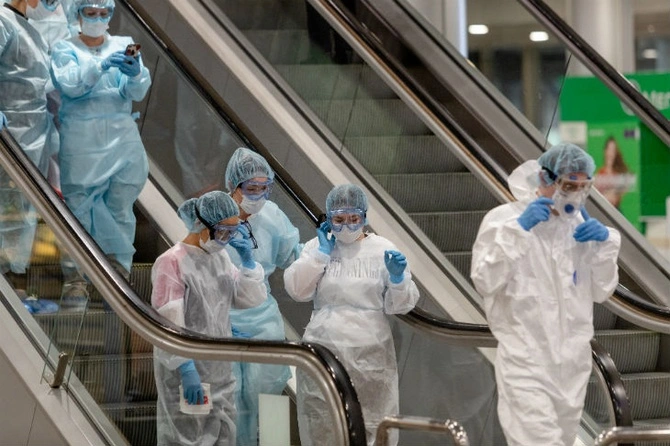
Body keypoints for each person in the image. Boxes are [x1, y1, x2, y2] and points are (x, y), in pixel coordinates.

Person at [470, 142, 621, 446]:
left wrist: (604, 246)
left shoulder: (579, 228)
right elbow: (485, 280)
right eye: (568, 185)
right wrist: (518, 231)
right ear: (544, 178)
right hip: (526, 362)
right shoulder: (504, 221)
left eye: (583, 187)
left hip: (573, 367)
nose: (575, 195)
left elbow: (602, 290)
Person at [284, 183, 419, 446]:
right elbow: (297, 290)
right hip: (322, 350)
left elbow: (401, 305)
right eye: (339, 220)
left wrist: (398, 279)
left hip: (370, 353)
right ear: (328, 219)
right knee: (322, 422)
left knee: (373, 422)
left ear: (364, 217)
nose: (346, 226)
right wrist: (320, 255)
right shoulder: (317, 246)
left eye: (354, 219)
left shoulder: (382, 249)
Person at [50, 0, 151, 305]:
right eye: (90, 13)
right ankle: (76, 280)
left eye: (103, 13)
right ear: (77, 14)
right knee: (78, 210)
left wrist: (135, 75)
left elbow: (135, 92)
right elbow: (70, 85)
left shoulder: (123, 44)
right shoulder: (64, 48)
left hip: (121, 137)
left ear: (111, 14)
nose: (97, 18)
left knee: (120, 206)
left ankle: (118, 275)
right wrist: (100, 66)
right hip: (82, 141)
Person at [152, 191, 268, 446]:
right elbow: (168, 323)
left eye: (233, 231)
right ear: (201, 224)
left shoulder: (220, 258)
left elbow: (247, 299)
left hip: (220, 372)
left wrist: (248, 263)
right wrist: (185, 367)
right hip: (186, 373)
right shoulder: (171, 263)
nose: (227, 239)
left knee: (225, 437)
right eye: (223, 231)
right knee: (187, 440)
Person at [223, 147, 300, 446]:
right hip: (221, 315)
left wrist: (322, 255)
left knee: (270, 394)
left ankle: (274, 444)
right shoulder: (215, 214)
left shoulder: (272, 216)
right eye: (251, 188)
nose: (258, 195)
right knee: (229, 396)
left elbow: (292, 256)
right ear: (234, 185)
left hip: (262, 317)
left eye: (264, 188)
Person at [0, 0, 61, 292]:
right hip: (9, 135)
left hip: (31, 140)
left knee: (21, 212)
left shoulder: (29, 29)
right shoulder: (3, 20)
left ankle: (13, 281)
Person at [594, 136, 633, 209]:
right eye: (609, 149)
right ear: (605, 151)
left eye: (613, 150)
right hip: (603, 208)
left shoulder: (620, 172)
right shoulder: (600, 173)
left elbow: (628, 183)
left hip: (616, 209)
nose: (610, 153)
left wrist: (614, 193)